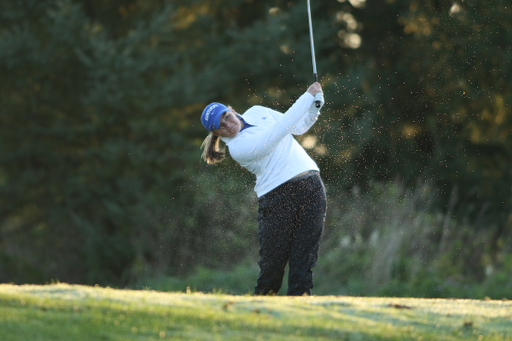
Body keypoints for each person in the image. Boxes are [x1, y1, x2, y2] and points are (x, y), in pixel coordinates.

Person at [200, 82, 326, 296]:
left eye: (226, 117)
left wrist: (314, 107)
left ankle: (299, 314)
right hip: (277, 198)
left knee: (304, 260)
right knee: (272, 267)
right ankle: (260, 317)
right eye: (220, 126)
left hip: (311, 186)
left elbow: (297, 127)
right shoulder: (238, 149)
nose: (228, 125)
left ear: (231, 110)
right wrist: (306, 98)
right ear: (216, 133)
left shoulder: (257, 112)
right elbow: (275, 134)